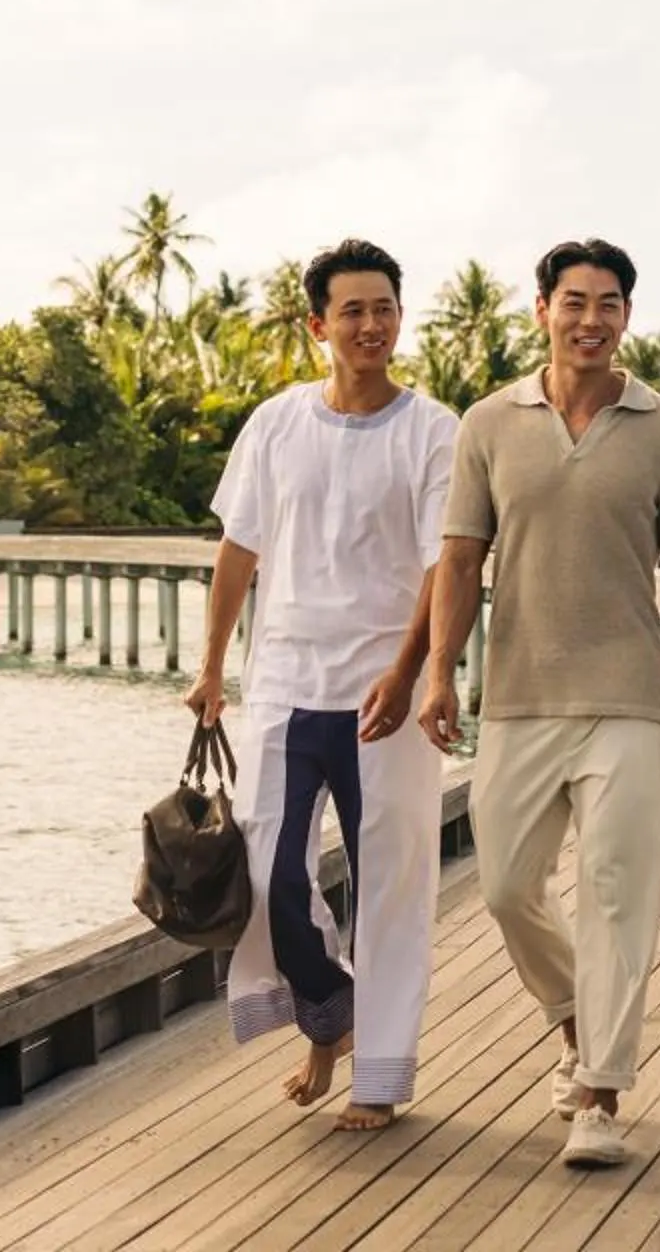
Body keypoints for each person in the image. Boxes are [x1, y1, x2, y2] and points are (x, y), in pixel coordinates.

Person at [417, 237, 660, 1171]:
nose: (591, 320)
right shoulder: (489, 423)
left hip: (631, 696)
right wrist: (439, 671)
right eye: (575, 302)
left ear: (627, 316)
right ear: (543, 307)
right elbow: (461, 560)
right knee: (508, 886)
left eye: (610, 304)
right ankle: (575, 1019)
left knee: (619, 894)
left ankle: (600, 1091)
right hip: (516, 695)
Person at [186, 238, 459, 1131]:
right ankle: (331, 1014)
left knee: (390, 881)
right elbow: (239, 550)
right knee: (267, 875)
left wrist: (413, 670)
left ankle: (378, 1076)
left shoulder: (434, 431)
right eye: (353, 311)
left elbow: (442, 569)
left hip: (387, 692)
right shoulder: (275, 423)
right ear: (319, 325)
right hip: (285, 680)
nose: (371, 325)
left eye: (384, 308)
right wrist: (211, 668)